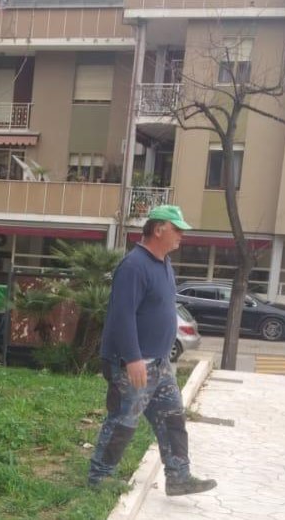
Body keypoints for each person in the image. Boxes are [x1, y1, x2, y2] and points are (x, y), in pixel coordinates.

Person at [88, 205, 217, 497]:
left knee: (173, 419)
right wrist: (133, 358)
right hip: (131, 363)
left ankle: (179, 476)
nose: (182, 235)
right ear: (158, 229)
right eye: (177, 229)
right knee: (123, 421)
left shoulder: (164, 263)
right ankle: (99, 477)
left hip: (158, 364)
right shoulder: (134, 266)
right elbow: (122, 316)